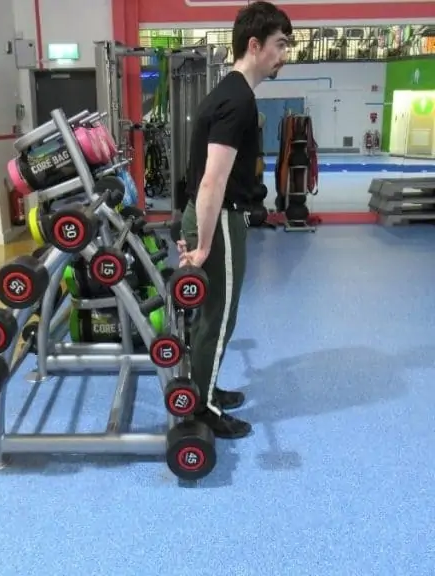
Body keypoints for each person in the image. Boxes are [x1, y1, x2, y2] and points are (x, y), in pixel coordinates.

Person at [177, 1, 291, 439]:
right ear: (255, 44)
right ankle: (202, 409)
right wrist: (204, 245)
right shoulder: (238, 100)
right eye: (280, 45)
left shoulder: (229, 91)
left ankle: (206, 388)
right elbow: (212, 181)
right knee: (219, 318)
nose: (283, 55)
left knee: (213, 316)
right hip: (219, 220)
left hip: (217, 217)